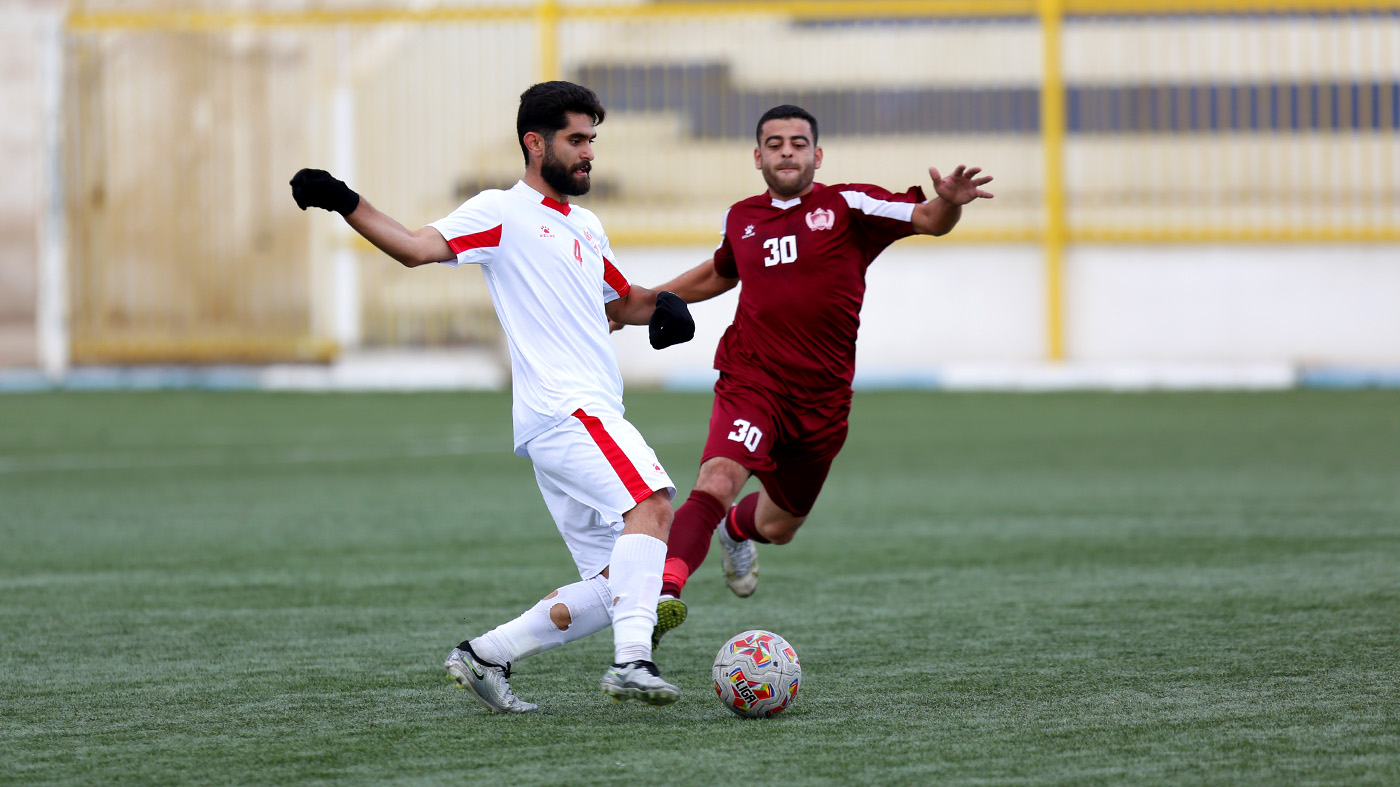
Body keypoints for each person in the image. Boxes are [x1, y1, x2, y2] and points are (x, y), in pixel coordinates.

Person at [290, 81, 697, 711]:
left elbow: (623, 301)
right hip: (569, 409)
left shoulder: (586, 227)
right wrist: (344, 200)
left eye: (592, 140)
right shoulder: (501, 212)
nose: (589, 153)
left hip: (567, 420)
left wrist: (666, 306)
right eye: (576, 140)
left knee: (615, 581)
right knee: (653, 503)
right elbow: (416, 248)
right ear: (535, 143)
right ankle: (632, 662)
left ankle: (485, 655)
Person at [639, 104, 994, 646]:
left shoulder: (848, 205)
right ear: (757, 156)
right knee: (716, 481)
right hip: (752, 379)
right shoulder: (742, 218)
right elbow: (720, 272)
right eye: (775, 143)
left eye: (798, 143)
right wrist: (646, 304)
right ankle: (662, 596)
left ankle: (736, 530)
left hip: (821, 403)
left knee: (779, 526)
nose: (787, 152)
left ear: (817, 155)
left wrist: (948, 201)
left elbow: (928, 220)